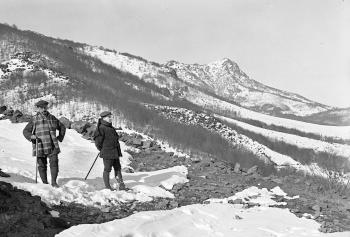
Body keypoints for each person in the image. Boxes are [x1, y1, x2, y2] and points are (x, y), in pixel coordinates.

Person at [23, 100, 66, 187]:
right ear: (38, 108)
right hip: (40, 145)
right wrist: (31, 136)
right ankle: (45, 183)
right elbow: (25, 131)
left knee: (54, 163)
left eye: (45, 107)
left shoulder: (52, 118)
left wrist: (60, 137)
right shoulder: (34, 119)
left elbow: (62, 126)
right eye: (42, 107)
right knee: (42, 165)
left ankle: (54, 182)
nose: (44, 109)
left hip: (52, 145)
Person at [93, 111, 126, 191]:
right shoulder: (101, 128)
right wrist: (103, 149)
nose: (111, 118)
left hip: (115, 151)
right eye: (109, 117)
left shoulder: (110, 127)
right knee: (107, 169)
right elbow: (98, 142)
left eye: (111, 117)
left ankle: (121, 185)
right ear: (104, 118)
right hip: (107, 152)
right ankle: (107, 187)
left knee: (118, 168)